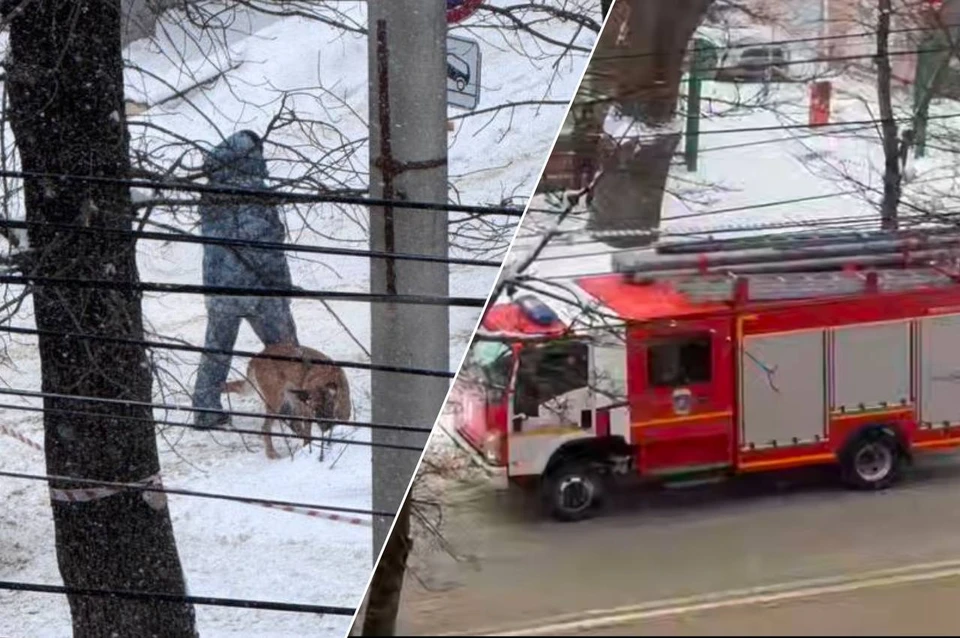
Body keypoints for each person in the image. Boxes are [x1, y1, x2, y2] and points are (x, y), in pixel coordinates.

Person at [192, 129, 299, 428]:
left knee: (217, 349)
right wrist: (282, 285)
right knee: (285, 347)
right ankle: (291, 407)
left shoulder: (211, 194)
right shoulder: (256, 193)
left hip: (219, 290)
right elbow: (265, 245)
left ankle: (205, 407)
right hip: (259, 289)